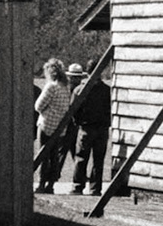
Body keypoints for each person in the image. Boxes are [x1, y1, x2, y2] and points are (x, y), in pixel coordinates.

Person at [68, 60, 112, 195]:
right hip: (102, 129)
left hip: (86, 127)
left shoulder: (79, 89)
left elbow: (73, 110)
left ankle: (77, 186)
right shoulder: (106, 90)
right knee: (98, 160)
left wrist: (77, 122)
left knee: (81, 158)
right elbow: (108, 109)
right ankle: (95, 188)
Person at [33, 58, 74, 193]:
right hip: (60, 126)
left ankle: (41, 183)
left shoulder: (51, 86)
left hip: (47, 124)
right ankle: (51, 184)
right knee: (54, 156)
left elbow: (38, 106)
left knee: (43, 155)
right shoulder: (66, 86)